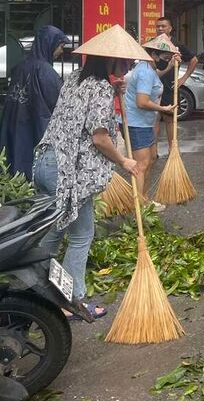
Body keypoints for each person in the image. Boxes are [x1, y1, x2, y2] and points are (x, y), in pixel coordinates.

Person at [32, 25, 144, 319]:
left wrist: (114, 89)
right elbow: (99, 137)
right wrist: (124, 161)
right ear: (112, 60)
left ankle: (41, 295)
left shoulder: (75, 80)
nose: (129, 66)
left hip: (46, 162)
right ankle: (74, 301)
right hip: (68, 172)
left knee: (55, 233)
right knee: (82, 235)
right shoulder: (100, 89)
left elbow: (80, 114)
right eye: (126, 61)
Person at [0, 26, 68, 179]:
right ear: (50, 44)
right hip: (35, 126)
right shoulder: (46, 72)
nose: (62, 51)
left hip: (16, 122)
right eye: (61, 46)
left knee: (14, 161)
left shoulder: (20, 67)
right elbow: (59, 102)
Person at [124, 36, 178, 212]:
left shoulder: (148, 68)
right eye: (165, 57)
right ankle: (138, 209)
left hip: (144, 123)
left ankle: (144, 200)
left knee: (151, 158)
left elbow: (154, 79)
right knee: (141, 165)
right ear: (154, 54)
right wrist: (164, 109)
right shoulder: (145, 72)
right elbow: (142, 102)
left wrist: (170, 67)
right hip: (136, 124)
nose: (167, 59)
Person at [154, 16, 198, 150]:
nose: (160, 29)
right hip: (152, 86)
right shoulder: (151, 44)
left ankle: (172, 150)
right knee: (154, 119)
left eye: (163, 26)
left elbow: (194, 60)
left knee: (169, 120)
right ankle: (152, 150)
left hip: (170, 87)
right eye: (158, 26)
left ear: (170, 28)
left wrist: (183, 79)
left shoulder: (177, 45)